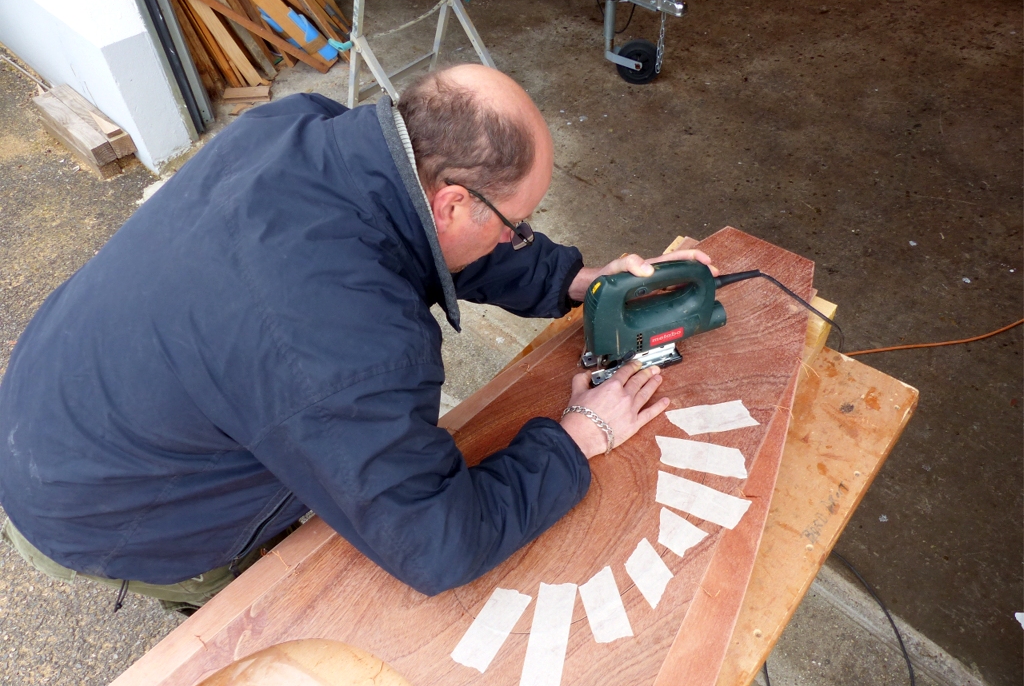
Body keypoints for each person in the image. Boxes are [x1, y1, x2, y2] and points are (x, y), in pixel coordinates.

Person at [0, 64, 714, 613]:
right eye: (513, 225)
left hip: (51, 397)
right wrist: (578, 436)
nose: (515, 238)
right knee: (282, 616)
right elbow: (437, 546)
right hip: (97, 508)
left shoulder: (298, 130)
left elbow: (413, 234)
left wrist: (574, 281)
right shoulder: (351, 351)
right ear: (455, 201)